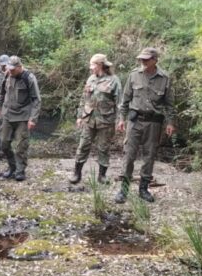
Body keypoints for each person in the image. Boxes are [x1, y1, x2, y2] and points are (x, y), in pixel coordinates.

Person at [115, 47, 177, 203]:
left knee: (149, 156)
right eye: (141, 59)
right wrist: (121, 119)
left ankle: (143, 189)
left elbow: (170, 105)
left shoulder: (165, 78)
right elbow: (125, 100)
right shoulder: (134, 75)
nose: (142, 61)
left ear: (155, 60)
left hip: (153, 123)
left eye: (146, 59)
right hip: (134, 121)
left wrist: (170, 123)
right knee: (129, 154)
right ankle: (123, 190)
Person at [69, 54, 121, 185]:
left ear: (100, 65)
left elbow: (120, 102)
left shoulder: (114, 80)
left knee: (103, 148)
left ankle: (102, 176)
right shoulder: (91, 79)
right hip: (89, 119)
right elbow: (84, 98)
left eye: (93, 65)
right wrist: (80, 116)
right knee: (83, 146)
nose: (91, 68)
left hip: (106, 121)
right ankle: (77, 173)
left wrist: (121, 120)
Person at [0, 56, 41, 181]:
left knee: (21, 146)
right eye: (9, 68)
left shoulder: (29, 78)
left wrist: (33, 119)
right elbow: (2, 92)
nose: (10, 71)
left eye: (13, 69)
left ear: (20, 67)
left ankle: (20, 171)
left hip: (23, 116)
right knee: (4, 144)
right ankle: (12, 167)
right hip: (7, 114)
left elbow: (36, 100)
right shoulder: (7, 75)